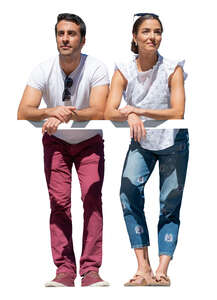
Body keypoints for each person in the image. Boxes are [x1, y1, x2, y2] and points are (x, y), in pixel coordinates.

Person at [17, 13, 110, 287]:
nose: (65, 38)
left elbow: (100, 109)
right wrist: (50, 111)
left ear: (82, 39)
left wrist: (65, 114)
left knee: (92, 202)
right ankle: (65, 271)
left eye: (71, 33)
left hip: (89, 142)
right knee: (59, 205)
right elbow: (23, 111)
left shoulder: (96, 67)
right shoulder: (42, 69)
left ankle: (91, 271)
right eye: (61, 33)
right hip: (56, 143)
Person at [104, 13, 189, 286]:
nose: (152, 36)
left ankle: (163, 270)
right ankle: (143, 268)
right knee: (128, 193)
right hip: (142, 143)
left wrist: (138, 110)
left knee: (169, 204)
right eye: (146, 31)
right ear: (135, 36)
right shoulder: (123, 69)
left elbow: (177, 112)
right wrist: (128, 116)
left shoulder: (172, 68)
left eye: (157, 31)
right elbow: (109, 110)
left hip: (173, 142)